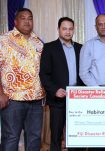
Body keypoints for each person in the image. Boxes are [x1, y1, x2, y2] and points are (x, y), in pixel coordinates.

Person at [0, 8, 45, 151]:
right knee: (11, 137)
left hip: (36, 99)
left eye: (30, 18)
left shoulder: (38, 42)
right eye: (23, 18)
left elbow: (43, 70)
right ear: (15, 21)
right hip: (13, 99)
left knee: (35, 138)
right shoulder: (4, 40)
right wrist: (0, 94)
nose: (27, 21)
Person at [39, 17, 84, 151]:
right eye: (64, 29)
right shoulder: (49, 47)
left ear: (74, 30)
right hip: (58, 99)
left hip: (77, 98)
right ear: (58, 29)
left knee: (76, 136)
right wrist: (55, 90)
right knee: (56, 138)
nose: (67, 32)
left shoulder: (80, 48)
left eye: (70, 29)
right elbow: (44, 74)